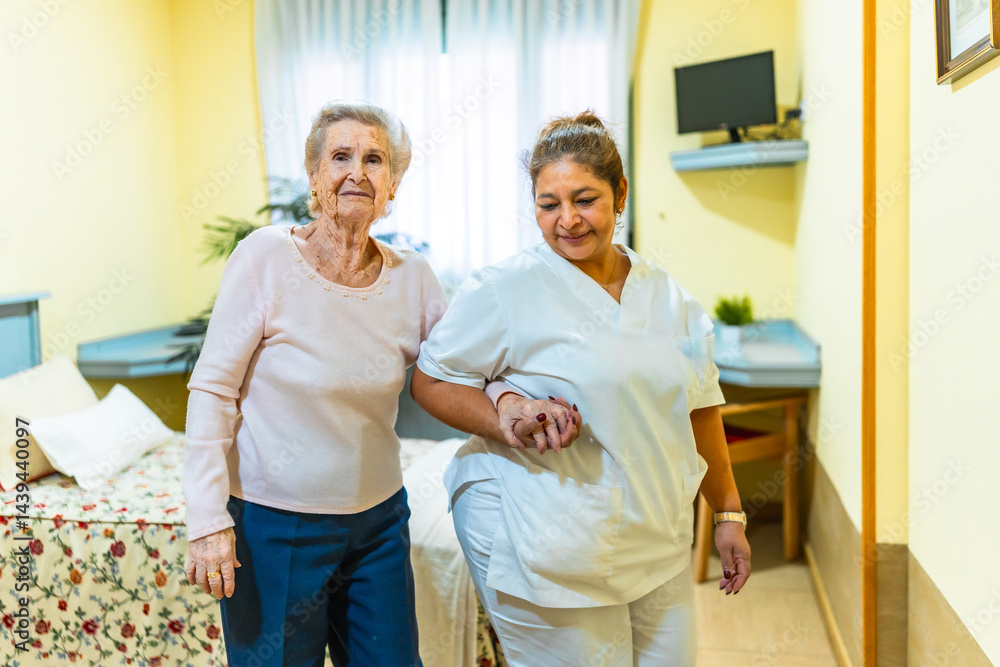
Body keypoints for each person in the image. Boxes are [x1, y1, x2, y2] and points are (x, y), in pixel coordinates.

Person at [410, 111, 751, 666]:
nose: (566, 220)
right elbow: (431, 381)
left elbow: (699, 408)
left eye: (584, 199)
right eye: (549, 204)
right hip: (549, 543)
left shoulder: (667, 296)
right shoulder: (505, 289)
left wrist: (729, 513)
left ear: (621, 194)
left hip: (659, 540)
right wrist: (505, 413)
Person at [182, 100, 448, 666]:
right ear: (314, 176)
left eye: (375, 159)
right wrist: (207, 519)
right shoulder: (265, 259)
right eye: (340, 156)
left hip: (377, 526)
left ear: (393, 182)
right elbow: (212, 390)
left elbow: (460, 369)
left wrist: (513, 401)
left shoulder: (414, 279)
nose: (357, 171)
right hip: (272, 528)